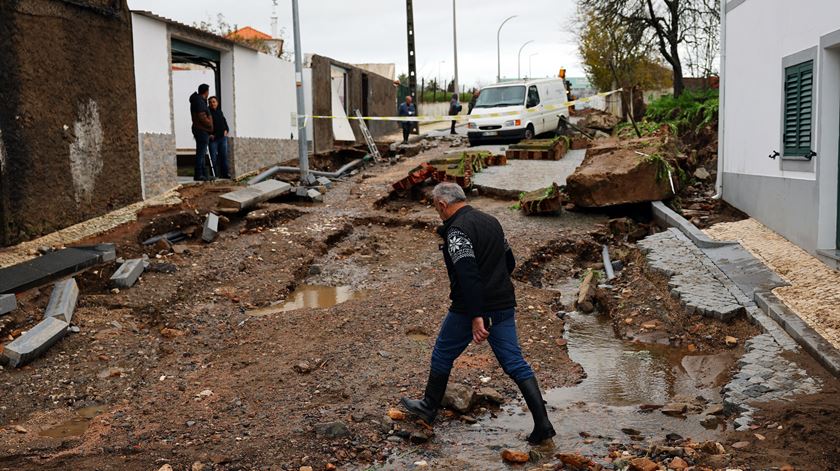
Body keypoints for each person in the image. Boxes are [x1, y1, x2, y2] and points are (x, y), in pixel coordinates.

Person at [400, 183, 556, 445]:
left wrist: (476, 315)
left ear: (442, 205)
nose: (438, 213)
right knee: (515, 363)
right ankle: (543, 425)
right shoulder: (491, 221)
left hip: (469, 308)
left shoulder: (457, 231)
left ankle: (428, 407)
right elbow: (510, 261)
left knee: (442, 352)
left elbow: (467, 275)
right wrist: (496, 287)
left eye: (436, 208)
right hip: (504, 304)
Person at [189, 84, 213, 181]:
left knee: (202, 153)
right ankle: (199, 175)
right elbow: (202, 116)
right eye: (208, 91)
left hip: (200, 129)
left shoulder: (199, 100)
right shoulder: (199, 101)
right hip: (201, 129)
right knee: (201, 153)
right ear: (206, 92)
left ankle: (204, 175)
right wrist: (210, 124)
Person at [208, 96, 231, 179]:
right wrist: (209, 134)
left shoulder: (219, 111)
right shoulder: (208, 112)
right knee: (213, 158)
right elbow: (206, 125)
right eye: (210, 102)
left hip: (222, 138)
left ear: (217, 103)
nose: (212, 103)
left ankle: (225, 174)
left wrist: (226, 129)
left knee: (223, 157)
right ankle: (214, 175)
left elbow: (224, 121)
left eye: (214, 102)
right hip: (213, 139)